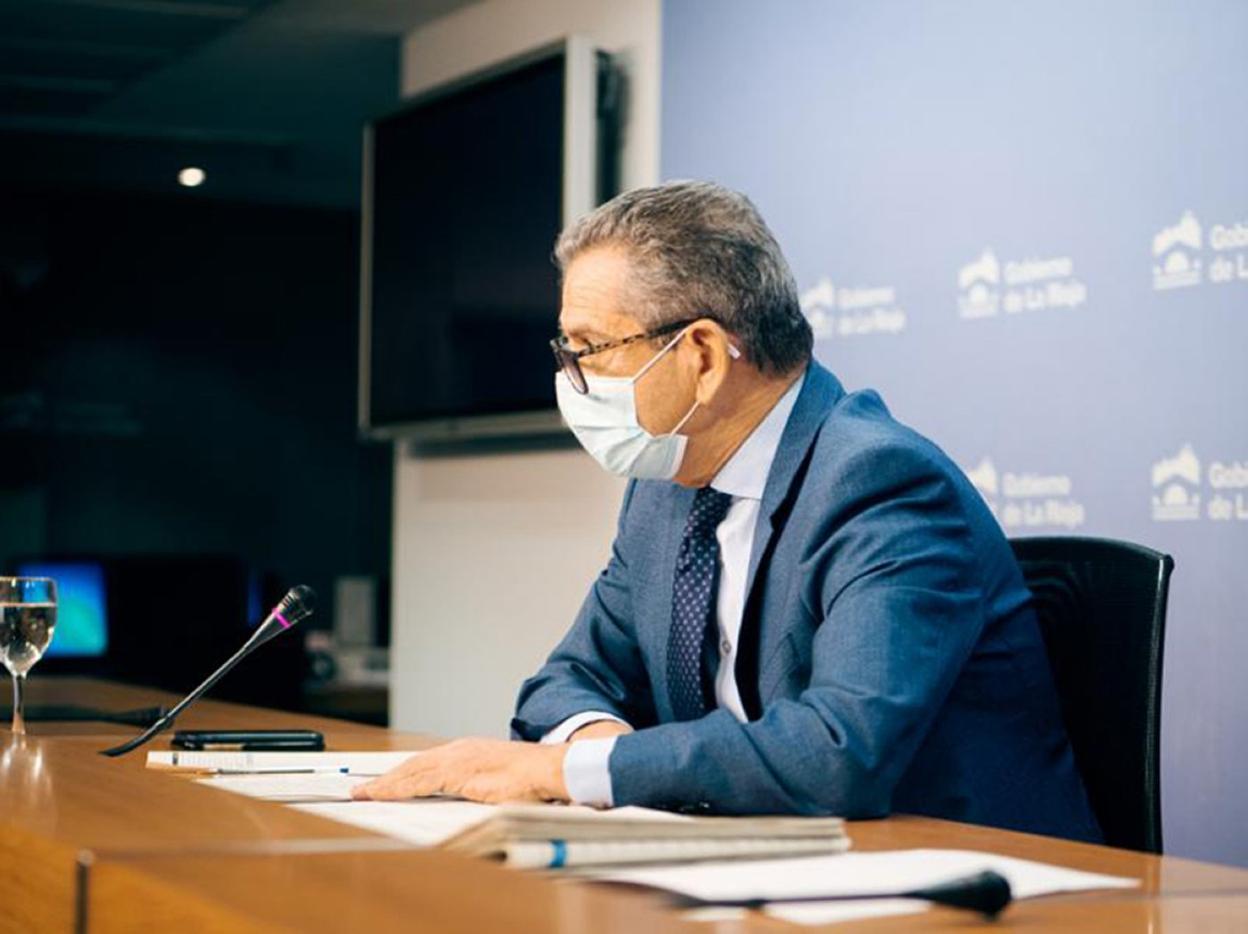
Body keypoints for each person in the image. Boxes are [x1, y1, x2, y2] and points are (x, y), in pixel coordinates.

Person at [354, 181, 1102, 842]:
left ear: (703, 356)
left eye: (588, 349)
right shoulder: (665, 485)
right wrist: (600, 745)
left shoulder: (880, 484)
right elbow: (566, 681)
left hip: (976, 887)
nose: (571, 379)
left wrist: (576, 772)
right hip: (772, 869)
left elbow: (837, 753)